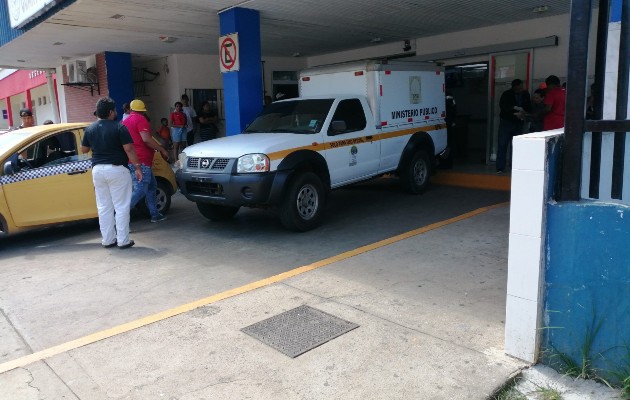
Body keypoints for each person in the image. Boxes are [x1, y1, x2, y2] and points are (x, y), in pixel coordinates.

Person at [80, 96, 143, 249]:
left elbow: (84, 149)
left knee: (104, 207)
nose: (116, 113)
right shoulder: (119, 127)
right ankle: (123, 240)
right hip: (117, 170)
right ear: (110, 112)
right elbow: (129, 149)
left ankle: (108, 240)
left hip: (97, 171)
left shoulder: (90, 129)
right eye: (114, 110)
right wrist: (137, 167)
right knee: (121, 206)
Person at [123, 99, 169, 223]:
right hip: (142, 161)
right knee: (141, 189)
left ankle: (155, 214)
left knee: (152, 187)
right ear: (142, 111)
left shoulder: (125, 121)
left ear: (131, 109)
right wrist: (161, 149)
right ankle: (120, 215)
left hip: (134, 160)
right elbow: (146, 139)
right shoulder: (140, 119)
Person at [496, 79, 531, 174]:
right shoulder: (507, 94)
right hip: (507, 121)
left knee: (516, 145)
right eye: (518, 88)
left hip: (519, 121)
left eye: (521, 87)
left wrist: (524, 113)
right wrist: (514, 108)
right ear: (514, 87)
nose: (520, 89)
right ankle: (500, 167)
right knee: (503, 144)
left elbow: (528, 106)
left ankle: (514, 166)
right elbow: (503, 106)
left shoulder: (525, 94)